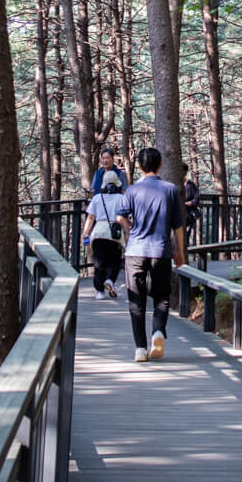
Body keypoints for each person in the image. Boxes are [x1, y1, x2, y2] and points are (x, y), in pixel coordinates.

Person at [117, 147, 183, 363]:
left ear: (140, 167)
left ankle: (140, 349)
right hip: (160, 251)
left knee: (136, 301)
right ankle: (158, 332)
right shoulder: (170, 189)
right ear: (160, 164)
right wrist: (180, 252)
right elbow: (177, 225)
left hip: (135, 250)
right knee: (162, 296)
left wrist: (130, 232)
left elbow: (120, 217)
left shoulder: (133, 190)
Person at [81, 180, 128, 301]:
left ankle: (99, 291)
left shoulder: (97, 198)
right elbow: (125, 217)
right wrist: (127, 233)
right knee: (115, 260)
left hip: (98, 233)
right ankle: (110, 280)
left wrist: (85, 233)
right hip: (114, 234)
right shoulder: (121, 198)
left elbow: (91, 217)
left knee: (99, 264)